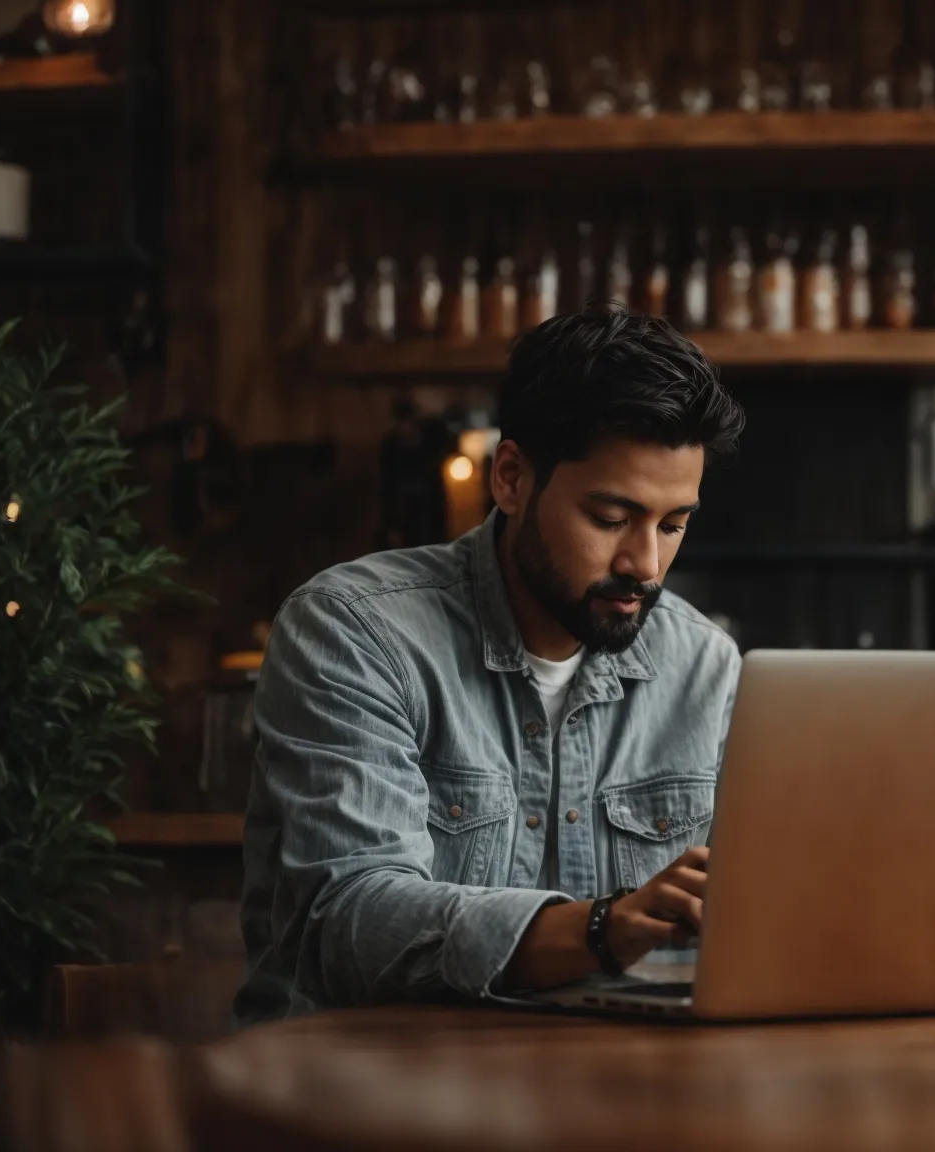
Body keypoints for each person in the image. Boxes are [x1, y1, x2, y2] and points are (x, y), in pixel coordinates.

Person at [236, 306, 747, 1024]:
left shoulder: (704, 665)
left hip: (606, 1092)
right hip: (358, 1095)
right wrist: (599, 928)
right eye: (609, 518)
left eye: (673, 524)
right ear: (510, 479)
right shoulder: (355, 632)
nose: (646, 564)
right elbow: (344, 925)